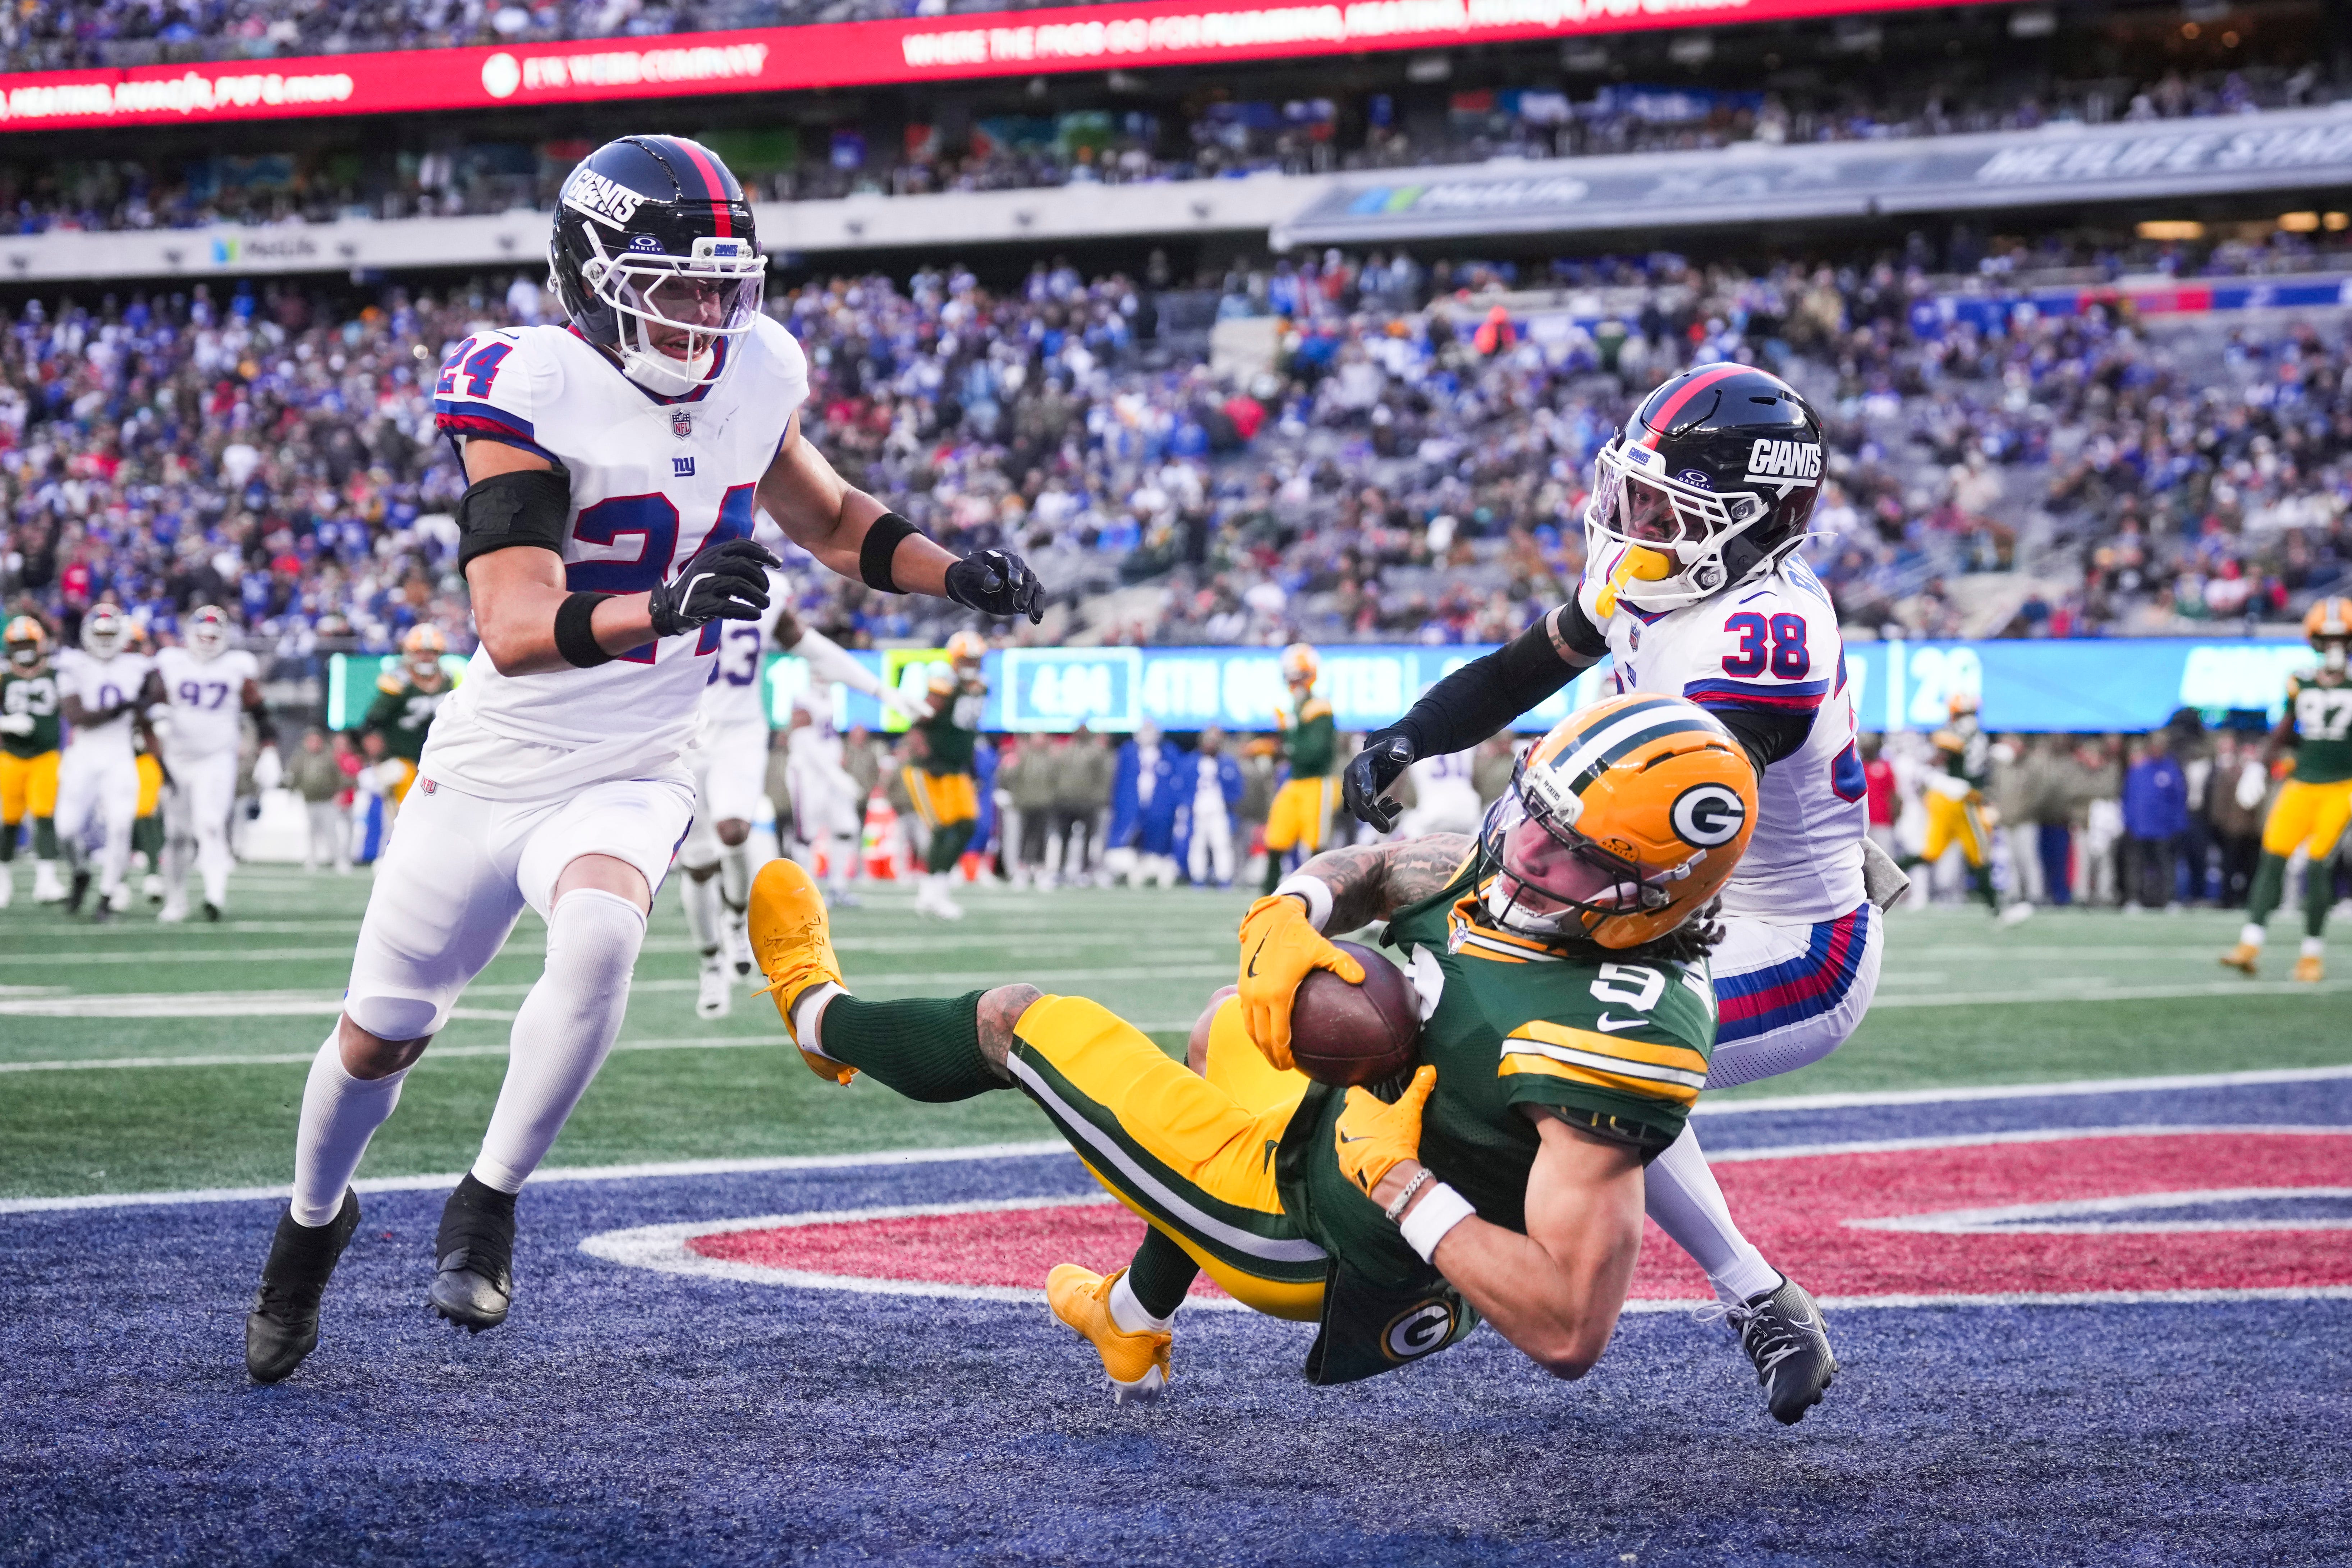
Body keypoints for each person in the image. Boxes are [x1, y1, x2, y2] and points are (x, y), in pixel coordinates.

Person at [242, 134, 1044, 1386]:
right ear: (592, 273)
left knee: (605, 933)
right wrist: (664, 610)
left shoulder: (756, 368)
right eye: (675, 283)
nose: (707, 312)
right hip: (501, 755)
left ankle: (488, 1202)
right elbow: (510, 630)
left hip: (641, 755)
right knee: (378, 1038)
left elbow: (829, 516)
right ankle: (308, 1228)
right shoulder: (528, 384)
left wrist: (956, 572)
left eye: (724, 284)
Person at [749, 695, 1792, 1408]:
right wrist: (1295, 907)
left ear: (1650, 895)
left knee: (1017, 1021)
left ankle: (818, 1019)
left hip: (1314, 1233)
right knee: (1223, 1023)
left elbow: (1568, 1330)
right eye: (1529, 815)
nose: (1517, 849)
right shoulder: (1526, 871)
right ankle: (1130, 1316)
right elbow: (1385, 867)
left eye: (1560, 848)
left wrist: (1399, 1183)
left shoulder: (1609, 1047)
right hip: (1334, 1138)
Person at [1335, 365, 1880, 1421]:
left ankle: (1734, 1292)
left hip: (1795, 938)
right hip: (1669, 902)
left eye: (1668, 508)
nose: (1635, 523)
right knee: (1539, 1027)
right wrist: (1414, 732)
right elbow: (1520, 669)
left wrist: (1516, 855)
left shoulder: (1768, 632)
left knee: (1566, 1050)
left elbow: (1670, 806)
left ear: (1757, 524)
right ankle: (1761, 1294)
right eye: (1632, 493)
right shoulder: (1655, 572)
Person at [2222, 598, 2352, 980]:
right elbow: (2283, 730)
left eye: (2341, 639)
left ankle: (2311, 954)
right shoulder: (2300, 680)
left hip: (2342, 787)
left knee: (2318, 865)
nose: (2334, 646)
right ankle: (2250, 942)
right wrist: (2258, 769)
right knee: (2273, 857)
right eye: (2327, 639)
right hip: (2301, 783)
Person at [153, 605, 275, 922]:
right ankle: (176, 899)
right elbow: (150, 700)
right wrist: (158, 720)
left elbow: (259, 710)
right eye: (202, 635)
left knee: (210, 824)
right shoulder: (170, 661)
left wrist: (270, 748)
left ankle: (214, 896)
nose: (207, 641)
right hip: (176, 759)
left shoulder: (236, 666)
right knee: (176, 834)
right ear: (190, 635)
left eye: (214, 636)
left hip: (217, 757)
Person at [54, 604, 162, 921]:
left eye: (111, 634)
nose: (104, 640)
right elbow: (76, 716)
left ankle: (106, 895)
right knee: (66, 828)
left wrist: (147, 700)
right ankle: (80, 873)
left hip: (119, 756)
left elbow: (156, 695)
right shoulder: (73, 665)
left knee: (120, 826)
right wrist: (119, 709)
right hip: (84, 755)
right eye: (99, 633)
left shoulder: (137, 666)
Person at [1913, 693, 2032, 923]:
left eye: (1971, 714)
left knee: (1933, 854)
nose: (1968, 719)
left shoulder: (1973, 737)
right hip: (1960, 800)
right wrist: (1938, 779)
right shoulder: (1949, 735)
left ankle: (1877, 882)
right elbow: (1936, 760)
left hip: (1959, 799)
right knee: (1979, 854)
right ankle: (1997, 909)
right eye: (1964, 714)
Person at [903, 630, 990, 920]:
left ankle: (937, 889)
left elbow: (967, 732)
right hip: (929, 769)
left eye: (976, 659)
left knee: (967, 826)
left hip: (955, 768)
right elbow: (922, 718)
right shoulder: (944, 682)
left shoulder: (979, 687)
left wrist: (973, 766)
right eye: (966, 658)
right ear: (954, 659)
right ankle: (929, 895)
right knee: (941, 828)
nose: (972, 664)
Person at [0, 613, 65, 907]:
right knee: (9, 820)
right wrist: (6, 724)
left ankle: (47, 881)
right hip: (11, 757)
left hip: (45, 755)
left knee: (45, 815)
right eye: (18, 643)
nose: (24, 648)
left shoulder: (56, 673)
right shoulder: (4, 676)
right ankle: (3, 881)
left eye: (28, 642)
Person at [1260, 642, 1336, 895]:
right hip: (1295, 782)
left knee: (1316, 850)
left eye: (1299, 677)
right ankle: (1265, 906)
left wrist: (1282, 747)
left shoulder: (1319, 707)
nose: (1295, 684)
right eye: (1291, 678)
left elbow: (1313, 753)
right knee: (1275, 841)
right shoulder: (1294, 708)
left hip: (1317, 783)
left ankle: (1323, 909)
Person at [783, 690, 867, 910]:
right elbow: (820, 761)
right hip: (808, 782)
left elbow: (831, 757)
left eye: (800, 713)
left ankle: (838, 886)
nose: (795, 717)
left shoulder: (826, 717)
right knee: (806, 836)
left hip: (830, 785)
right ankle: (806, 891)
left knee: (846, 828)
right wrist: (845, 782)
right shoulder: (802, 737)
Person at [362, 625, 453, 819]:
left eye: (431, 653)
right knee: (406, 807)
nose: (426, 658)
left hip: (435, 757)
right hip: (400, 756)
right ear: (410, 653)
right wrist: (376, 757)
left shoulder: (448, 680)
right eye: (420, 653)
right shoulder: (399, 681)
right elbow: (373, 721)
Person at [2121, 731, 2188, 912]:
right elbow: (2129, 798)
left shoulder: (2171, 769)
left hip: (2164, 829)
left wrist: (2178, 825)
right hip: (2141, 828)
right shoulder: (2138, 770)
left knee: (2166, 866)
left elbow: (2179, 799)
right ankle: (2135, 899)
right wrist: (2129, 822)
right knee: (2137, 866)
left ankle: (2169, 900)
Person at [1183, 725, 1244, 888]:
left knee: (1221, 843)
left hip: (1219, 810)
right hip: (1198, 809)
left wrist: (1230, 802)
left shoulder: (1227, 762)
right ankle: (1198, 877)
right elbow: (1183, 786)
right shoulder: (1192, 761)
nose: (1211, 744)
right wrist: (1187, 804)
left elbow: (1237, 788)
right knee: (1197, 844)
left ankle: (1224, 878)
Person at [288, 728, 350, 874]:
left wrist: (340, 791)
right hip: (310, 800)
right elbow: (294, 776)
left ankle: (338, 860)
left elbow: (338, 777)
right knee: (312, 832)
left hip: (327, 800)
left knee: (331, 832)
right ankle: (312, 859)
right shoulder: (301, 758)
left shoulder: (329, 756)